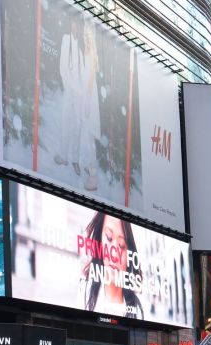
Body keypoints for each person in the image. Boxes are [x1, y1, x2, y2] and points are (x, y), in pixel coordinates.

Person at [54, 16, 100, 191]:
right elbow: (64, 69)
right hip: (72, 93)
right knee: (69, 123)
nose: (77, 28)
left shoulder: (86, 51)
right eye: (74, 23)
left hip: (84, 98)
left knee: (83, 131)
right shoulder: (67, 41)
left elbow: (88, 79)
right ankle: (66, 156)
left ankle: (80, 164)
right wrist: (75, 90)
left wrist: (83, 96)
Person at [81, 213, 143, 320]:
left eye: (121, 246)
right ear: (99, 240)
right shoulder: (84, 292)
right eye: (109, 238)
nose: (114, 255)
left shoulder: (138, 309)